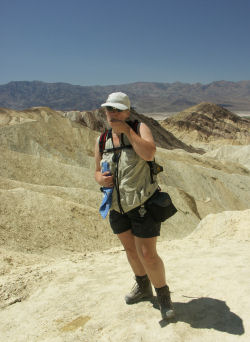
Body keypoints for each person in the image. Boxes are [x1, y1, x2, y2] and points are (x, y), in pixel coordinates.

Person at [94, 92, 174, 320]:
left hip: (142, 204)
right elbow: (96, 172)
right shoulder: (102, 139)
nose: (113, 114)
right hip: (117, 207)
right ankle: (142, 286)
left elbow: (149, 153)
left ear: (128, 111)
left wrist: (127, 131)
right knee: (131, 251)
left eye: (118, 110)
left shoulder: (139, 128)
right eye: (109, 109)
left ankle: (163, 295)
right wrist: (101, 179)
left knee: (147, 254)